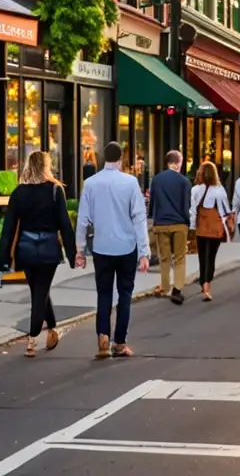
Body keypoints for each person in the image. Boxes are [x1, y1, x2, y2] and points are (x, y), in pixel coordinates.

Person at [0, 151, 77, 357]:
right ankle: (33, 339)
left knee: (39, 291)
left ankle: (52, 328)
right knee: (40, 293)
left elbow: (9, 228)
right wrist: (72, 253)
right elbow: (64, 225)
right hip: (49, 247)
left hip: (26, 248)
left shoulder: (19, 193)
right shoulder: (55, 190)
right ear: (45, 167)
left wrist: (3, 257)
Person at [75, 141, 150, 358]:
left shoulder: (90, 183)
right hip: (126, 246)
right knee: (125, 293)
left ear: (102, 158)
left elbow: (82, 220)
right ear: (121, 158)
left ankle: (102, 337)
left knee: (103, 292)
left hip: (102, 246)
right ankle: (120, 342)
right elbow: (139, 218)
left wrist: (79, 250)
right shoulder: (130, 182)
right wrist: (144, 251)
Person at [148, 150, 192, 305]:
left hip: (161, 223)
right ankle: (177, 289)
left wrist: (154, 218)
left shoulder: (157, 180)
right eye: (180, 162)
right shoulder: (184, 182)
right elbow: (186, 205)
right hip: (179, 223)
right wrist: (187, 222)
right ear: (176, 163)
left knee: (164, 258)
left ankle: (165, 287)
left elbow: (152, 203)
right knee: (179, 258)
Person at [190, 161, 233, 302]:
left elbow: (192, 210)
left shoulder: (195, 190)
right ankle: (208, 283)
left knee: (202, 257)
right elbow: (226, 209)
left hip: (201, 227)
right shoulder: (219, 190)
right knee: (212, 257)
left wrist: (192, 227)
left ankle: (204, 284)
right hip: (215, 227)